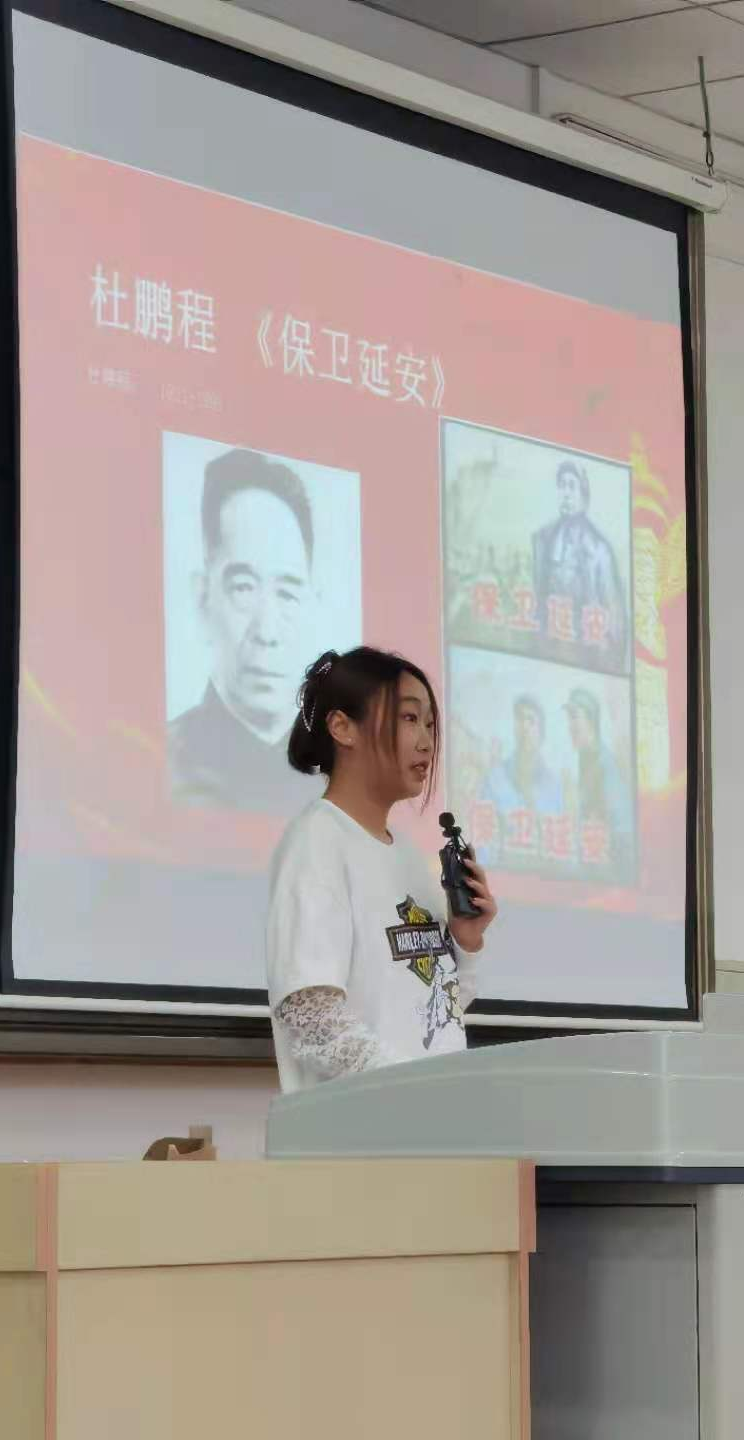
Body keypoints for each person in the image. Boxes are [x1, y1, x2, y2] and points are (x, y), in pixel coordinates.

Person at [266, 647, 498, 1093]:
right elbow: (312, 1019)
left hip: (429, 1121)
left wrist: (466, 943)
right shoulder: (317, 841)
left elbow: (434, 1012)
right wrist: (409, 1093)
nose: (426, 741)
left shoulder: (406, 853)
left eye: (429, 724)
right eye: (409, 718)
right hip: (368, 1129)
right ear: (342, 727)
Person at [167, 447, 320, 813]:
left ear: (313, 605)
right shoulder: (159, 762)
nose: (267, 632)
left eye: (287, 593)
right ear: (203, 598)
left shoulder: (348, 782)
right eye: (243, 588)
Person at [532, 458, 628, 673]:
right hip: (551, 651)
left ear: (584, 495)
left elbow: (615, 619)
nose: (566, 493)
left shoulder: (599, 550)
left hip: (587, 656)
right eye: (562, 485)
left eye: (572, 486)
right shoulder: (544, 540)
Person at [475, 697, 564, 867]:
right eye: (520, 719)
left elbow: (559, 846)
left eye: (531, 720)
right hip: (501, 875)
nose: (524, 727)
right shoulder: (494, 779)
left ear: (542, 732)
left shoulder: (554, 786)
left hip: (544, 875)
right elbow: (482, 844)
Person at [564, 688, 634, 870]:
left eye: (574, 717)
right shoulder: (583, 760)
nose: (570, 726)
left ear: (591, 720)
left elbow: (622, 827)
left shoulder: (606, 765)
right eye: (568, 718)